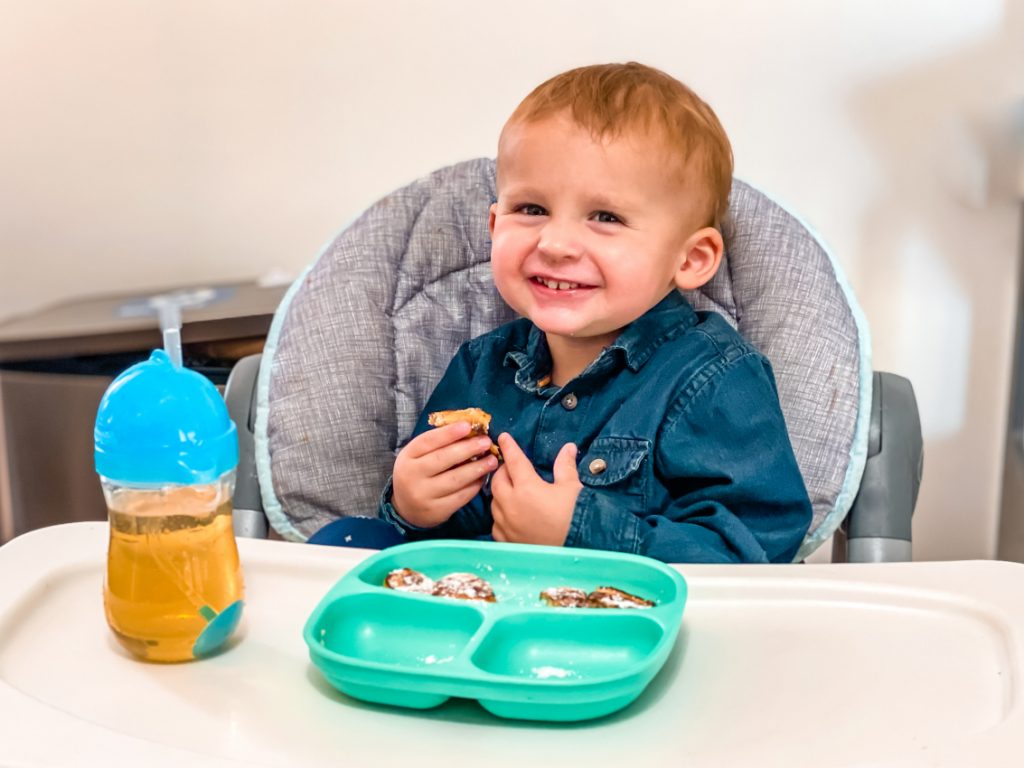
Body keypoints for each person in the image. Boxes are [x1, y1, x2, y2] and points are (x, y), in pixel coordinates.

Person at [378, 62, 812, 563]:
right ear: (495, 225)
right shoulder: (480, 367)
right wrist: (414, 505)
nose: (556, 243)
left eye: (606, 217)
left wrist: (582, 530)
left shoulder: (713, 379)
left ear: (690, 259)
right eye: (532, 209)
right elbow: (440, 540)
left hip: (629, 627)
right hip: (486, 607)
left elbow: (754, 554)